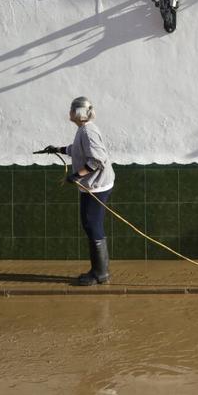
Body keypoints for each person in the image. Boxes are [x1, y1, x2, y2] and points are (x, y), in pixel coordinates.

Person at [44, 96, 115, 285]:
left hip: (97, 186)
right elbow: (77, 149)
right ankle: (99, 271)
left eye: (71, 109)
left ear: (78, 112)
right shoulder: (83, 130)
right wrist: (57, 149)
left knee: (92, 225)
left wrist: (76, 176)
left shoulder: (88, 131)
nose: (69, 112)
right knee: (90, 224)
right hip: (90, 185)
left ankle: (100, 273)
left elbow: (97, 161)